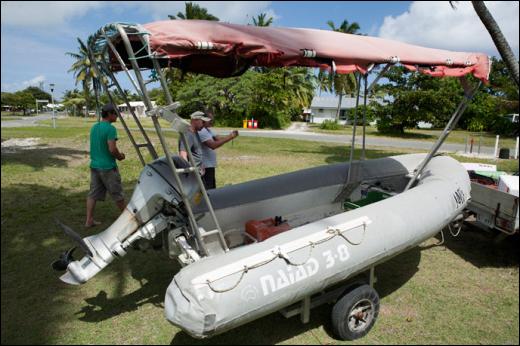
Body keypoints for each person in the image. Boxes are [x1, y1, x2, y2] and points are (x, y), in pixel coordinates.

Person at [85, 103, 126, 228]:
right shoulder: (110, 129)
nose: (117, 116)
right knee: (117, 194)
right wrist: (120, 157)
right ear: (109, 114)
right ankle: (129, 220)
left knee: (93, 194)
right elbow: (112, 149)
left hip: (95, 166)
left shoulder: (94, 127)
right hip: (107, 168)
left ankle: (89, 220)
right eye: (115, 113)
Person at [198, 111, 238, 189]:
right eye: (210, 120)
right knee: (208, 190)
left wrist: (231, 136)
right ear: (204, 119)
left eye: (213, 119)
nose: (212, 122)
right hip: (205, 166)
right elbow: (213, 145)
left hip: (209, 165)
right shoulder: (202, 131)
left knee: (212, 188)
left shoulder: (208, 130)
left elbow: (219, 139)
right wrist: (230, 137)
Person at [178, 111, 209, 175]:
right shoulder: (188, 134)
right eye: (203, 122)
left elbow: (197, 152)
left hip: (198, 171)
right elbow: (183, 155)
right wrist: (189, 173)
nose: (204, 124)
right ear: (195, 120)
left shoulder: (195, 133)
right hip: (192, 174)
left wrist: (201, 165)